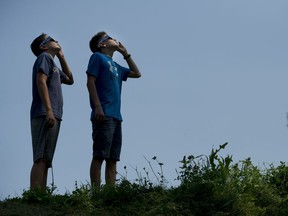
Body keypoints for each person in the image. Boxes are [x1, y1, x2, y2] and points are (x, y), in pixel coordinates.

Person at [86, 31, 141, 188]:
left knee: (113, 158)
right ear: (102, 44)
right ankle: (96, 193)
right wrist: (97, 107)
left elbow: (137, 74)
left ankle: (111, 192)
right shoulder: (97, 57)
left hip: (116, 116)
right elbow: (90, 81)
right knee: (99, 155)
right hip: (103, 114)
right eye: (110, 38)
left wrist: (126, 54)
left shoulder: (116, 66)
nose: (115, 39)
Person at [30, 33, 74, 190]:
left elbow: (69, 79)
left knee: (47, 160)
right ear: (44, 46)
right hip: (44, 112)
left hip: (54, 113)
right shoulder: (44, 57)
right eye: (52, 40)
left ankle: (41, 195)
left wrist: (62, 56)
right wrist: (48, 110)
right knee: (41, 157)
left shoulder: (53, 64)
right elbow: (40, 81)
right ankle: (34, 195)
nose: (57, 41)